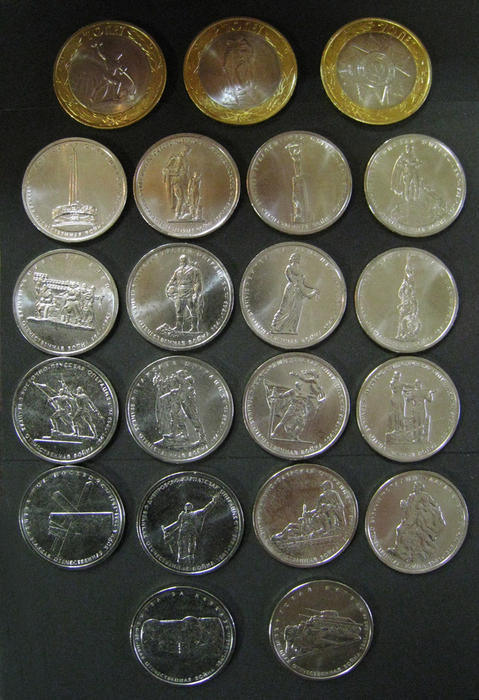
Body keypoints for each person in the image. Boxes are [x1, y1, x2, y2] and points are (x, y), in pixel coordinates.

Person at [271, 254, 319, 334]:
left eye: (297, 258)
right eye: (295, 258)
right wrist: (301, 287)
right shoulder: (289, 268)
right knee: (285, 308)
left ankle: (291, 329)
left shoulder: (301, 270)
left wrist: (314, 287)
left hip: (298, 291)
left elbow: (304, 283)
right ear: (292, 259)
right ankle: (275, 326)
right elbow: (292, 280)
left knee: (296, 310)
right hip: (291, 290)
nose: (297, 259)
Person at [165, 255, 203, 332]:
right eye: (181, 260)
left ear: (187, 260)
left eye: (184, 260)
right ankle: (179, 327)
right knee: (179, 311)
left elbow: (198, 282)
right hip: (180, 293)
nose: (182, 261)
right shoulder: (177, 270)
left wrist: (196, 293)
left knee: (193, 310)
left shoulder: (194, 270)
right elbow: (172, 280)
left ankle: (194, 328)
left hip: (190, 292)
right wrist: (167, 287)